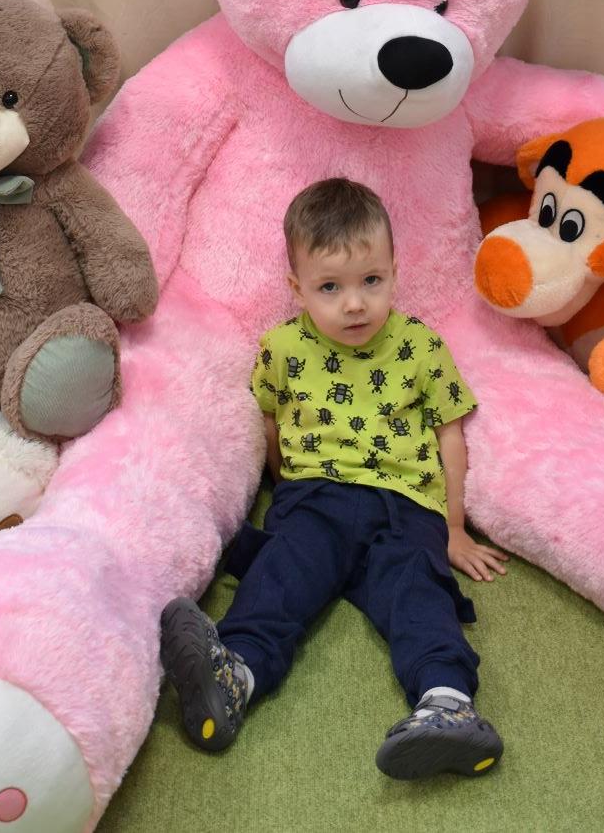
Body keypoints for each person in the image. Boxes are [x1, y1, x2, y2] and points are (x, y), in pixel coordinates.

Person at [159, 177, 507, 780]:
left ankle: (448, 703)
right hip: (317, 494)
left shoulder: (421, 346)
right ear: (297, 288)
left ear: (395, 271)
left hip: (406, 502)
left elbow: (450, 434)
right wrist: (285, 492)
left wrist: (453, 527)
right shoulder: (282, 348)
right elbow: (268, 423)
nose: (355, 304)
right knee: (283, 573)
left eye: (371, 281)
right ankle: (235, 675)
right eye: (330, 287)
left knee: (417, 589)